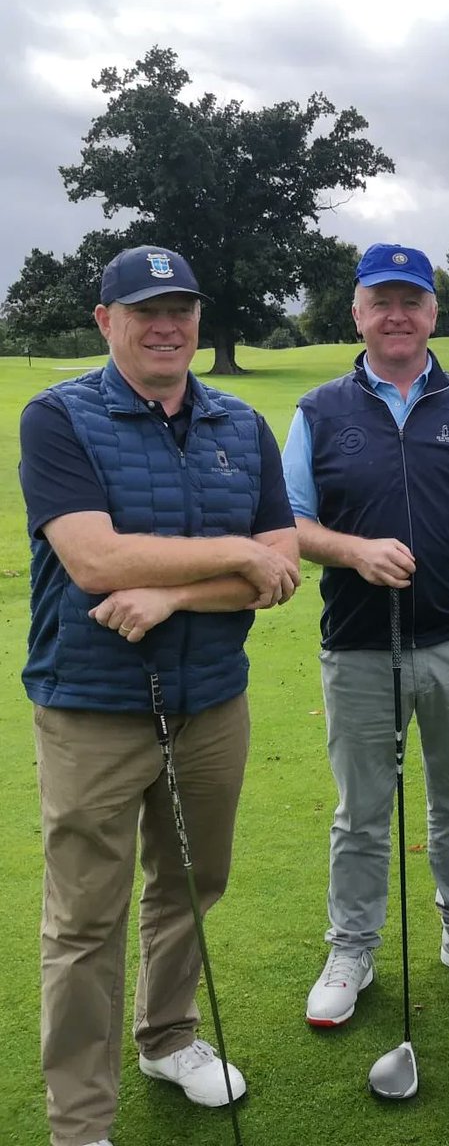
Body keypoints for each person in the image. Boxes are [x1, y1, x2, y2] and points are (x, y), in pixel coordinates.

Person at [19, 245, 300, 1146]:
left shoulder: (239, 424)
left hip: (212, 699)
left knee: (190, 881)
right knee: (85, 920)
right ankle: (81, 1122)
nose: (167, 324)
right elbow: (94, 559)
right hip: (91, 708)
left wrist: (179, 591)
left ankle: (167, 1037)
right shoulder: (57, 418)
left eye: (181, 307)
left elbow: (282, 567)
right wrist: (239, 555)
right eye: (145, 310)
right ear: (107, 322)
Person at [284, 242, 449, 1023]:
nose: (397, 314)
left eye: (412, 300)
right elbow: (286, 524)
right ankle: (352, 946)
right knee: (362, 809)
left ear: (432, 314)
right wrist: (352, 550)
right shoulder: (319, 412)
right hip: (358, 648)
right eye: (381, 301)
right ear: (357, 313)